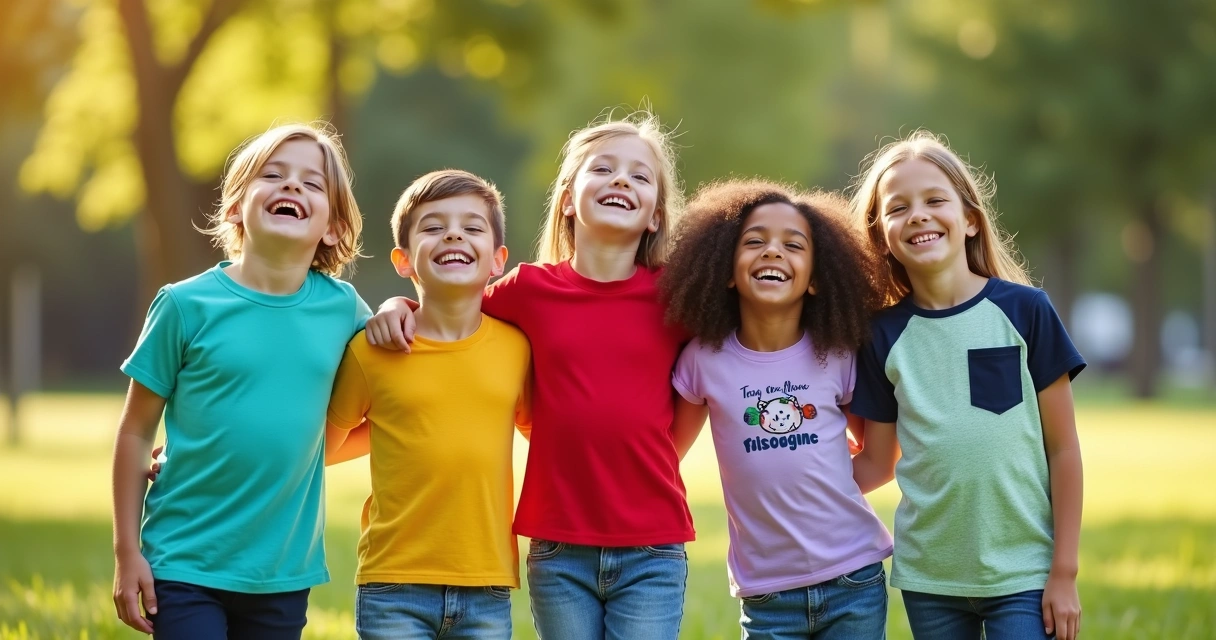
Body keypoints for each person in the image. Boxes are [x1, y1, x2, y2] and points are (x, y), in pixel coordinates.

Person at [365, 110, 697, 639]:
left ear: (656, 214)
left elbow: (703, 386)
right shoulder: (528, 291)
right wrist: (396, 303)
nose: (620, 180)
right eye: (603, 169)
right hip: (558, 546)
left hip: (653, 546)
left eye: (639, 176)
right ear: (567, 199)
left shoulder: (676, 298)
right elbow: (451, 303)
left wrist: (658, 455)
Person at [112, 122, 370, 638]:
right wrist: (126, 552)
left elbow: (391, 410)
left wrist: (393, 312)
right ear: (235, 207)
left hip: (281, 572)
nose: (291, 186)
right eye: (272, 175)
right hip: (184, 560)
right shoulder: (185, 305)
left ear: (334, 228)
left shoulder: (344, 311)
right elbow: (136, 431)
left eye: (312, 183)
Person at [849, 131, 1085, 640]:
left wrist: (1063, 572)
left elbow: (1064, 450)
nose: (918, 215)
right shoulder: (880, 336)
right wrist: (784, 475)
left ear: (971, 218)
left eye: (935, 200)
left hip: (1024, 571)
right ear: (880, 233)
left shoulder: (1025, 311)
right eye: (898, 208)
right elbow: (877, 461)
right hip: (930, 578)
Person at [661, 179, 892, 639]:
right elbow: (665, 456)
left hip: (853, 577)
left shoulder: (839, 355)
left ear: (817, 277)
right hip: (766, 593)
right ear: (725, 270)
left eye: (793, 245)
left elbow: (878, 460)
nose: (772, 251)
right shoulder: (704, 360)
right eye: (754, 241)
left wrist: (815, 492)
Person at [324, 170, 530, 640]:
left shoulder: (519, 349)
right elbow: (322, 449)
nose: (453, 233)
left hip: (487, 583)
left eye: (472, 227)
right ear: (403, 260)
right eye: (433, 227)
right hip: (393, 583)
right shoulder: (372, 350)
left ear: (498, 260)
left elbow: (548, 438)